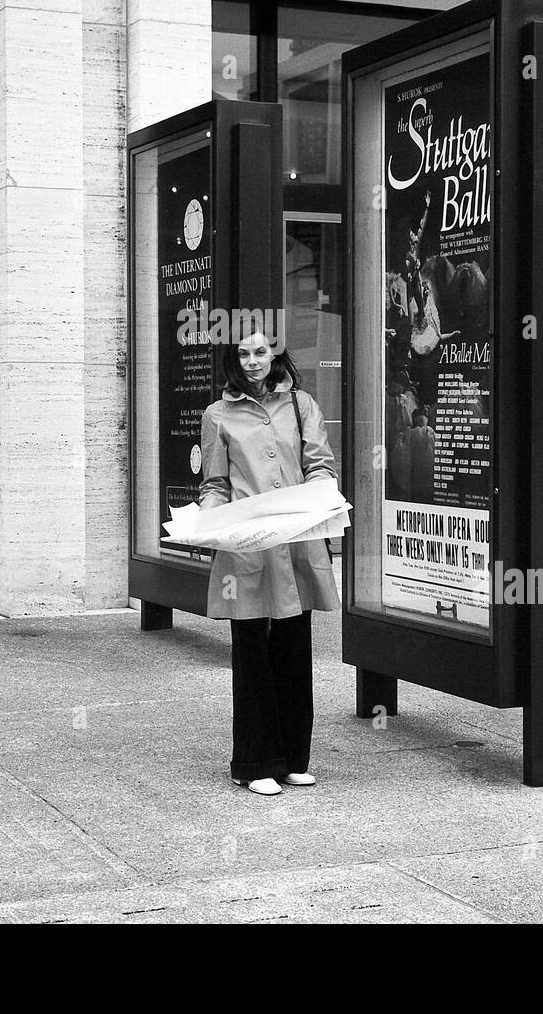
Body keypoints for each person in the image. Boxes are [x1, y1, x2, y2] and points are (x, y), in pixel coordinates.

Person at [199, 329, 339, 796]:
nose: (253, 361)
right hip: (248, 550)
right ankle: (254, 762)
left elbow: (320, 465)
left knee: (295, 650)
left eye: (260, 351)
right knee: (252, 654)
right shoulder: (218, 414)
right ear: (233, 359)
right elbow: (215, 482)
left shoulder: (301, 405)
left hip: (296, 545)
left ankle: (294, 758)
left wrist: (318, 501)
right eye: (243, 353)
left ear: (274, 353)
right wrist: (208, 516)